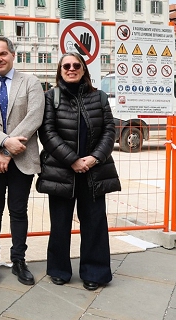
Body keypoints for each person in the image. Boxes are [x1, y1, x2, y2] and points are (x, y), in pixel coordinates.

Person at [37, 51, 121, 292]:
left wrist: (94, 158)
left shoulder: (100, 98)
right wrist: (73, 160)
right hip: (62, 171)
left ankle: (95, 273)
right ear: (60, 71)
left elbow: (109, 131)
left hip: (94, 171)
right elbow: (48, 134)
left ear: (84, 70)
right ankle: (59, 270)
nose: (71, 69)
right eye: (66, 66)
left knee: (94, 223)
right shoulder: (50, 97)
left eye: (76, 65)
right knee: (60, 224)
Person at [0, 36, 45, 286]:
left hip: (22, 157)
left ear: (13, 55)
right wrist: (3, 143)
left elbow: (34, 117)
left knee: (18, 211)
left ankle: (19, 260)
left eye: (3, 54)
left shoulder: (31, 83)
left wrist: (9, 151)